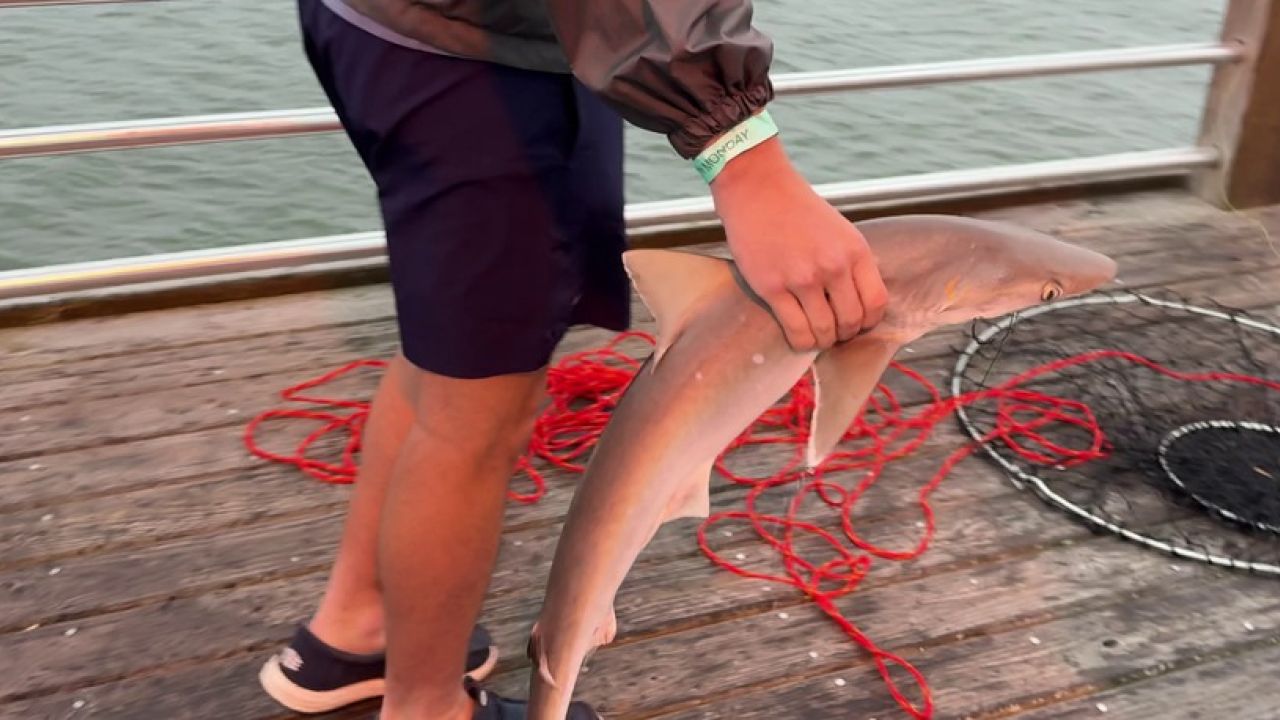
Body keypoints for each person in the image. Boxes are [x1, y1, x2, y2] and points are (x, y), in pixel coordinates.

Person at [260, 1, 889, 718]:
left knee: (449, 364)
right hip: (479, 62)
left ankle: (359, 625)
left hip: (394, 24)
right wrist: (741, 151)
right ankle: (426, 707)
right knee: (477, 418)